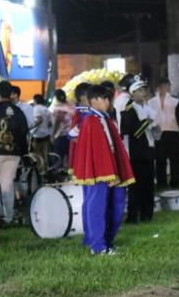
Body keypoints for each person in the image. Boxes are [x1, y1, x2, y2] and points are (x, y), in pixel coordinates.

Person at [71, 84, 135, 254]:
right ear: (95, 100)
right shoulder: (90, 120)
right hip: (99, 171)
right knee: (97, 206)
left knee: (115, 204)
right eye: (105, 99)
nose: (108, 102)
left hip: (110, 169)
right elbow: (74, 136)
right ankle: (98, 246)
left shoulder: (104, 119)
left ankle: (106, 241)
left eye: (109, 99)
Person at [0, 82, 28, 224]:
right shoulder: (18, 111)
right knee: (7, 184)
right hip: (14, 153)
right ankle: (8, 217)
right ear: (11, 93)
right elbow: (24, 134)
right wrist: (24, 154)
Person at [121, 78, 158, 222]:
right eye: (140, 90)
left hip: (149, 151)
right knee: (136, 186)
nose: (144, 93)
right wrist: (147, 121)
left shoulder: (147, 108)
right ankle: (133, 216)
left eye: (145, 90)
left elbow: (156, 130)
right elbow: (134, 132)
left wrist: (154, 126)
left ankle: (147, 214)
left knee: (148, 184)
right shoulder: (129, 110)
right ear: (133, 93)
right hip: (136, 154)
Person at [148, 78, 179, 188]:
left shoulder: (174, 101)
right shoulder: (152, 102)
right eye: (167, 86)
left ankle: (170, 182)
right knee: (163, 160)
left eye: (168, 86)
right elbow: (150, 118)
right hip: (164, 132)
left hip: (170, 131)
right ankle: (166, 182)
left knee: (170, 160)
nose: (168, 88)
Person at [51, 89, 75, 167]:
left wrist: (52, 135)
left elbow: (56, 123)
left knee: (58, 158)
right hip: (73, 135)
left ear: (55, 97)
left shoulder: (58, 108)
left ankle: (58, 172)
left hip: (61, 135)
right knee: (70, 157)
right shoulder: (72, 105)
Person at [30, 94, 52, 169]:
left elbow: (39, 119)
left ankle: (38, 170)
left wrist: (30, 128)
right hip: (45, 134)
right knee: (44, 154)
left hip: (37, 135)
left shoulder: (36, 108)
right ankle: (44, 170)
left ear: (35, 100)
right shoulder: (46, 109)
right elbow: (50, 123)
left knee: (36, 155)